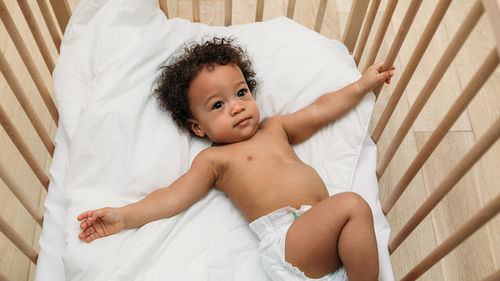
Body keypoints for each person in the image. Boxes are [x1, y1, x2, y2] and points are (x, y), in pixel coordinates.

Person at [77, 37, 395, 281]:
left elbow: (321, 110)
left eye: (241, 93)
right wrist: (124, 217)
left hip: (321, 232)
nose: (237, 106)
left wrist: (362, 85)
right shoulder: (215, 160)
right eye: (218, 105)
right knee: (353, 205)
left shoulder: (276, 127)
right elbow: (172, 197)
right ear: (197, 127)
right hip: (288, 239)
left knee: (352, 215)